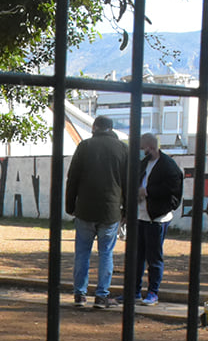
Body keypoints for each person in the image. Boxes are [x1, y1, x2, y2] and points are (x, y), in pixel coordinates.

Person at [64, 116, 128, 309]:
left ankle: (80, 295)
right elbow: (128, 183)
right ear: (111, 128)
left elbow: (72, 178)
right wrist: (127, 210)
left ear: (95, 127)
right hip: (110, 211)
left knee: (82, 253)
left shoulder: (84, 147)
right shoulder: (123, 149)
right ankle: (101, 296)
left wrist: (70, 206)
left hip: (85, 209)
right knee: (106, 253)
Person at [131, 133, 183, 306]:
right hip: (140, 216)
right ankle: (135, 292)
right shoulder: (143, 164)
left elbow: (173, 192)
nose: (139, 152)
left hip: (157, 218)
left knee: (154, 258)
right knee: (137, 257)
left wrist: (147, 192)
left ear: (149, 148)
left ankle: (153, 292)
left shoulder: (169, 166)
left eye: (141, 149)